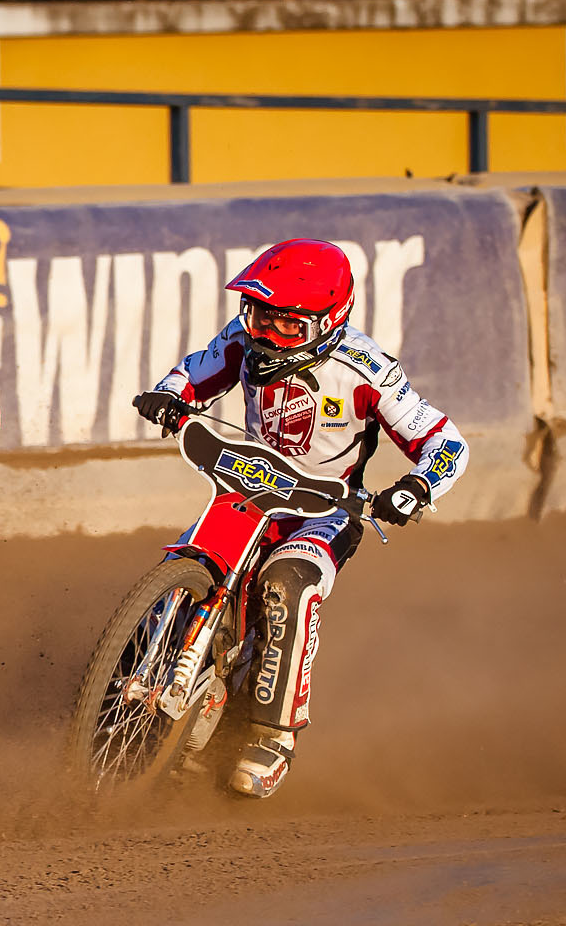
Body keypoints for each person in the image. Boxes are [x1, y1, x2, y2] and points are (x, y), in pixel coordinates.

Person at [131, 240, 468, 799]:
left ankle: (272, 735)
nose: (267, 333)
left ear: (330, 322)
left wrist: (415, 487)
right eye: (261, 315)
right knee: (185, 563)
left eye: (287, 325)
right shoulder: (243, 338)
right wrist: (168, 396)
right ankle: (125, 677)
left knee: (287, 583)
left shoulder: (368, 368)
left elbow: (445, 441)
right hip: (251, 486)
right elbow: (193, 372)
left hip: (328, 510)